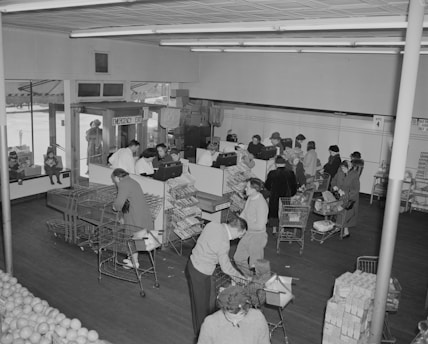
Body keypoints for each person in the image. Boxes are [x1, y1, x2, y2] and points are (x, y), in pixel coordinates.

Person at [185, 218, 248, 339]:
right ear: (236, 231)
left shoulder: (213, 224)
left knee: (205, 300)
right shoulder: (224, 242)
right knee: (201, 306)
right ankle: (202, 336)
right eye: (242, 234)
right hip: (200, 271)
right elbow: (226, 267)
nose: (240, 237)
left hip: (193, 264)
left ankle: (204, 329)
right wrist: (241, 278)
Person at [111, 168, 154, 269]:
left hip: (134, 215)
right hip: (142, 213)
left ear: (117, 177)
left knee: (131, 237)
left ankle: (134, 262)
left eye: (114, 179)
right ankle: (133, 260)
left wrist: (115, 207)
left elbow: (119, 203)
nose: (114, 182)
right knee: (136, 237)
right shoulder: (132, 181)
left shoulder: (123, 184)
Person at [197, 285, 270, 344]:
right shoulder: (210, 323)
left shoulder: (257, 318)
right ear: (224, 308)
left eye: (240, 314)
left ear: (246, 308)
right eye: (229, 313)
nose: (235, 320)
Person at [233, 178, 269, 276]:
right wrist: (239, 224)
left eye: (247, 187)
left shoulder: (261, 204)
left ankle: (257, 284)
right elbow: (245, 212)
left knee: (255, 265)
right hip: (248, 234)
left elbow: (260, 225)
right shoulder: (250, 198)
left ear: (254, 189)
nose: (245, 189)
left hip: (258, 237)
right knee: (238, 258)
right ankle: (249, 278)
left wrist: (245, 228)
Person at [265, 156, 297, 234]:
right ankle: (282, 228)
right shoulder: (291, 173)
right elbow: (294, 186)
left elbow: (267, 185)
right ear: (284, 164)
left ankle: (274, 229)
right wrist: (292, 194)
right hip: (286, 196)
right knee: (284, 211)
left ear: (276, 164)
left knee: (274, 212)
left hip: (275, 196)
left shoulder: (272, 173)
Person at [331, 160, 360, 238]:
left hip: (350, 198)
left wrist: (345, 194)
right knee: (341, 213)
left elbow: (356, 190)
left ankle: (342, 229)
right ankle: (342, 229)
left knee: (345, 214)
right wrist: (334, 186)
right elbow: (334, 180)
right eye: (342, 168)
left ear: (349, 167)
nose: (342, 170)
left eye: (344, 168)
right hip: (341, 197)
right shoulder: (340, 171)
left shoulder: (354, 175)